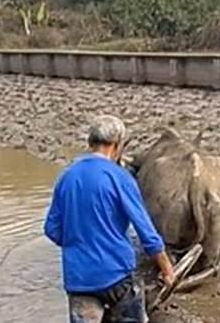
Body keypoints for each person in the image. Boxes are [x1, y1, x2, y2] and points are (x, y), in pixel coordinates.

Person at [44, 115, 176, 323]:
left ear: (90, 143)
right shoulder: (120, 177)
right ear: (117, 146)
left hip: (79, 279)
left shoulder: (66, 176)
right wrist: (167, 270)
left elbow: (52, 229)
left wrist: (77, 242)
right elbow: (146, 232)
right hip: (117, 276)